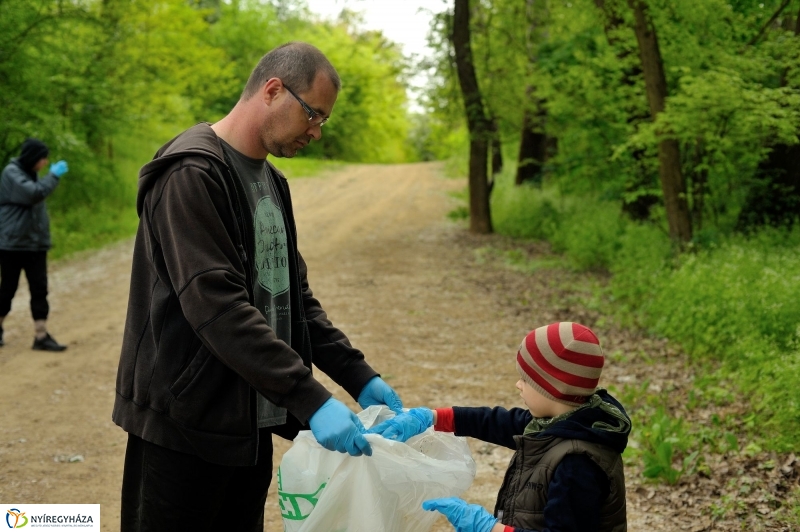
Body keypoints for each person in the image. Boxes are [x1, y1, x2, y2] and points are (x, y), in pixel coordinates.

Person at [111, 41, 404, 532]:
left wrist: (358, 376)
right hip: (185, 427)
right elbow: (217, 306)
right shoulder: (191, 174)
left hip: (249, 422)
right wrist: (311, 398)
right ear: (273, 90)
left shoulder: (272, 183)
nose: (316, 131)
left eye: (322, 120)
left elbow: (292, 297)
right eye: (314, 114)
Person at [369, 322, 631, 532]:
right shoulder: (558, 423)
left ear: (552, 389)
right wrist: (433, 417)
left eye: (526, 380)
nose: (518, 384)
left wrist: (491, 528)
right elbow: (496, 422)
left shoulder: (577, 465)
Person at [0, 138, 69, 351]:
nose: (46, 162)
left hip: (35, 244)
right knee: (8, 289)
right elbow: (34, 194)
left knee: (40, 289)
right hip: (12, 244)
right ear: (32, 157)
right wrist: (54, 176)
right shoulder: (11, 173)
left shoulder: (32, 173)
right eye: (43, 158)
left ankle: (41, 335)